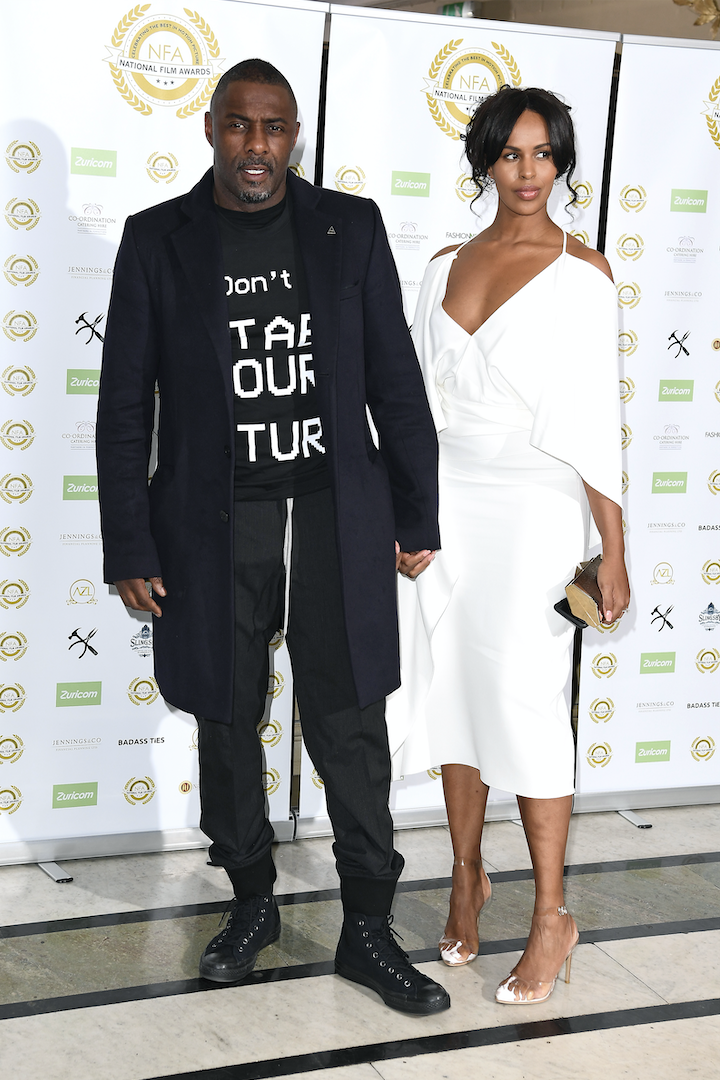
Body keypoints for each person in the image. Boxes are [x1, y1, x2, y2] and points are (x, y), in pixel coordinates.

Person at [96, 58, 450, 1016]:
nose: (259, 148)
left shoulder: (349, 228)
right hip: (215, 527)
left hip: (334, 517)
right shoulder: (157, 240)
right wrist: (129, 541)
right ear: (211, 129)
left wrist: (417, 510)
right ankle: (250, 902)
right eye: (242, 127)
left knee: (350, 725)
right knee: (224, 715)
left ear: (296, 136)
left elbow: (395, 378)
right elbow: (126, 402)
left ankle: (368, 929)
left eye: (277, 129)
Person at [388, 86, 630, 1004]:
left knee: (525, 700)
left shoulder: (585, 272)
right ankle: (464, 874)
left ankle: (551, 914)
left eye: (544, 154)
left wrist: (611, 548)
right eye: (511, 154)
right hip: (448, 497)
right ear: (485, 161)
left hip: (533, 503)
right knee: (452, 684)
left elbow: (599, 427)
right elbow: (408, 408)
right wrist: (407, 514)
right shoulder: (441, 263)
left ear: (561, 163)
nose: (529, 173)